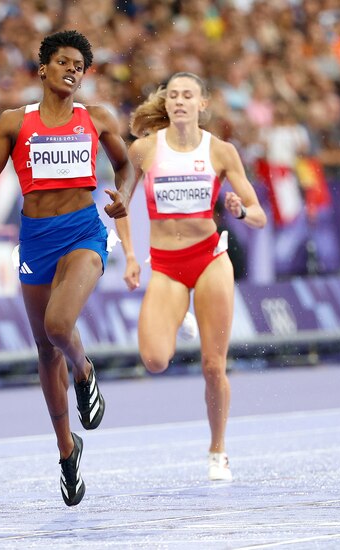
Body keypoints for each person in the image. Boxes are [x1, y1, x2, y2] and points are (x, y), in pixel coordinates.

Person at [0, 30, 133, 506]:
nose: (72, 70)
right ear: (43, 69)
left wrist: (124, 197)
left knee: (58, 326)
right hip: (36, 240)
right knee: (44, 350)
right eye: (64, 62)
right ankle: (67, 451)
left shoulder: (97, 118)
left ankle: (84, 370)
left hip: (84, 234)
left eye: (80, 66)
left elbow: (126, 165)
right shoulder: (15, 122)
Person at [113, 72, 266, 482]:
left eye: (188, 95)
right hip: (166, 265)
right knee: (154, 360)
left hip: (210, 259)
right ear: (166, 104)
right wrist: (130, 256)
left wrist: (239, 211)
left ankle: (218, 450)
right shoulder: (144, 150)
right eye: (173, 95)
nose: (180, 101)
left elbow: (259, 215)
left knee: (213, 366)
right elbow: (119, 205)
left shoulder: (221, 151)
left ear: (202, 104)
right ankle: (181, 311)